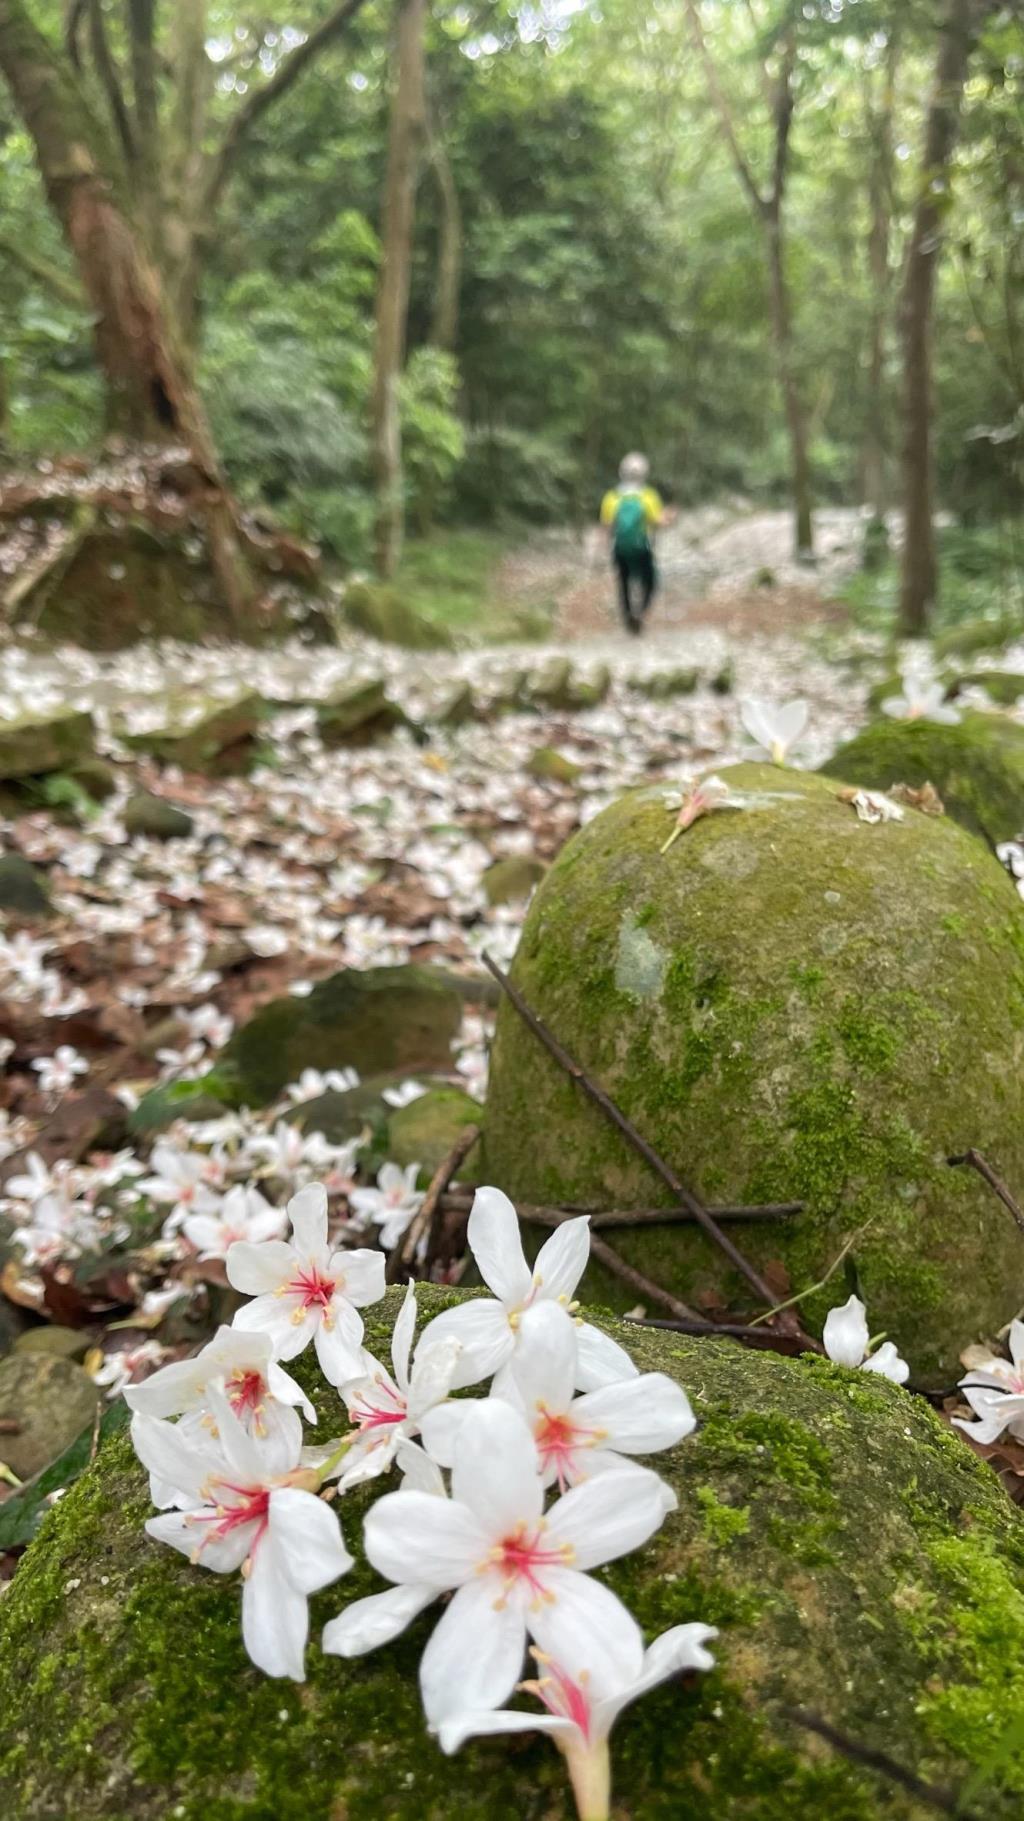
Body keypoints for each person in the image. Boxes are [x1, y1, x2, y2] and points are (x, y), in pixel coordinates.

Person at [600, 453, 666, 635]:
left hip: (620, 547)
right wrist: (669, 517)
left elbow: (607, 526)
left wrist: (605, 547)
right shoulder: (648, 496)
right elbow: (658, 522)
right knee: (650, 582)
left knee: (624, 583)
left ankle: (628, 617)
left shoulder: (612, 497)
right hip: (641, 547)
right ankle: (641, 613)